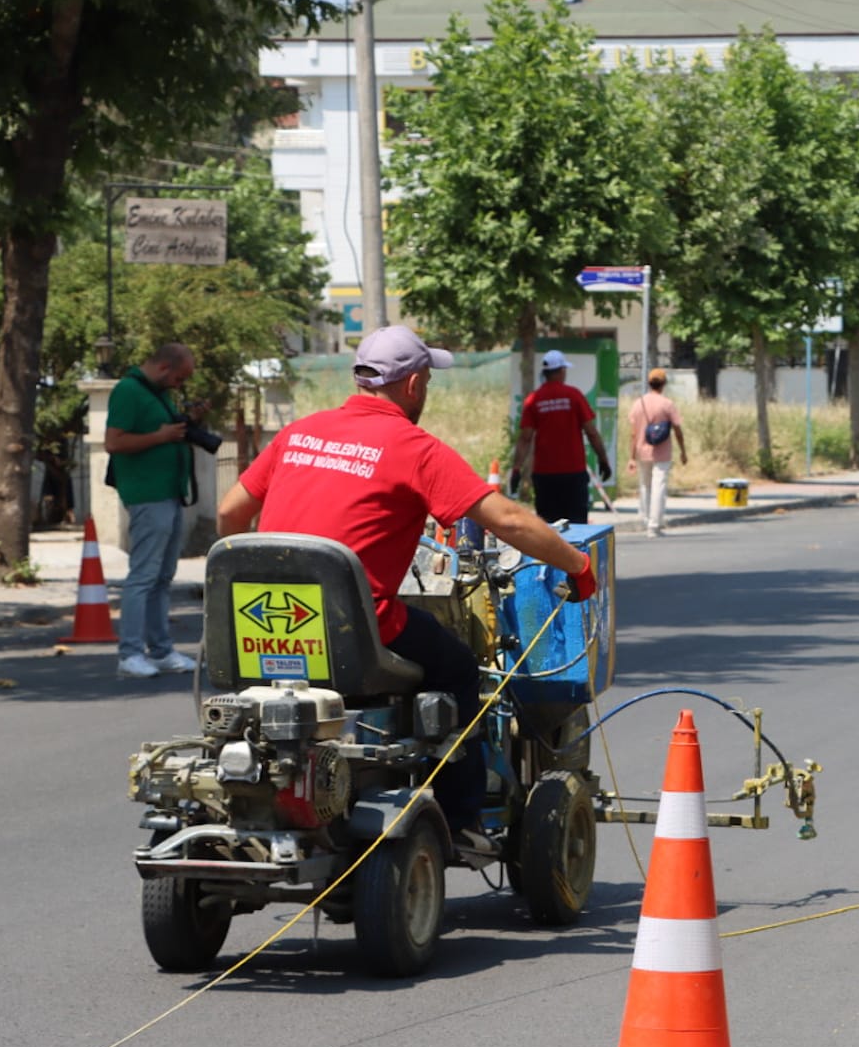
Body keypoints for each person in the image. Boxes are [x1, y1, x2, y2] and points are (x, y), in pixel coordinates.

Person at [217, 326, 597, 857]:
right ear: (415, 384)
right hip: (355, 637)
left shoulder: (297, 434)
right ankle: (463, 822)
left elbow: (229, 514)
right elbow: (507, 519)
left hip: (262, 631)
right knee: (460, 668)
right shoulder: (414, 447)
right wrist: (577, 564)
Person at [104, 342, 203, 679]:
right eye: (179, 377)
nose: (180, 384)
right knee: (144, 576)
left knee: (163, 577)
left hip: (169, 493)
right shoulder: (128, 391)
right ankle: (130, 653)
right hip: (147, 494)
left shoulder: (155, 393)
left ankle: (160, 651)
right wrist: (161, 437)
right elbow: (114, 442)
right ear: (164, 368)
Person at [513, 349, 612, 525]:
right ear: (561, 371)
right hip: (573, 473)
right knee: (577, 525)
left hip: (544, 476)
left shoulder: (534, 400)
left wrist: (516, 469)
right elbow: (592, 432)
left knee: (549, 528)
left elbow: (525, 438)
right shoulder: (574, 395)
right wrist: (603, 460)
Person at [625, 368, 688, 537]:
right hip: (662, 451)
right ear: (664, 384)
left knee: (645, 485)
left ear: (649, 383)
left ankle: (646, 519)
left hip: (641, 450)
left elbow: (633, 432)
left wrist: (631, 457)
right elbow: (677, 429)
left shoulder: (639, 403)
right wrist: (683, 451)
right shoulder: (667, 404)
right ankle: (654, 525)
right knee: (658, 486)